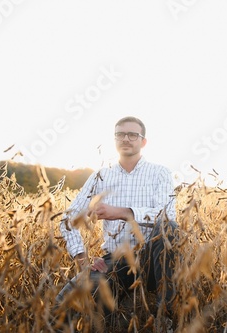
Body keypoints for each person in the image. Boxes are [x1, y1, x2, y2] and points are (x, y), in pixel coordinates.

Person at [55, 116, 177, 332]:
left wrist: (122, 212)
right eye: (120, 134)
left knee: (170, 229)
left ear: (143, 142)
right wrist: (82, 259)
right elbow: (68, 219)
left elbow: (166, 216)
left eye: (133, 135)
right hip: (114, 261)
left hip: (151, 258)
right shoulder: (100, 176)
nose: (126, 139)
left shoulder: (160, 173)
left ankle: (164, 315)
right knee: (63, 303)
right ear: (114, 139)